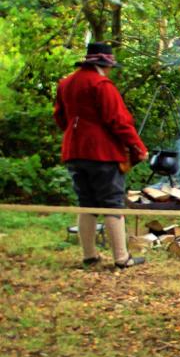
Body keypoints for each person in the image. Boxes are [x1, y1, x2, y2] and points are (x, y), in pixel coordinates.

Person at [54, 42, 147, 269]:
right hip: (102, 152)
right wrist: (138, 147)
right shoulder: (101, 84)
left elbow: (60, 118)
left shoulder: (66, 84)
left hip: (74, 151)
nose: (110, 70)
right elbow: (119, 121)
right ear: (104, 64)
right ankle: (121, 258)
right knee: (112, 203)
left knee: (86, 203)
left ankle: (89, 255)